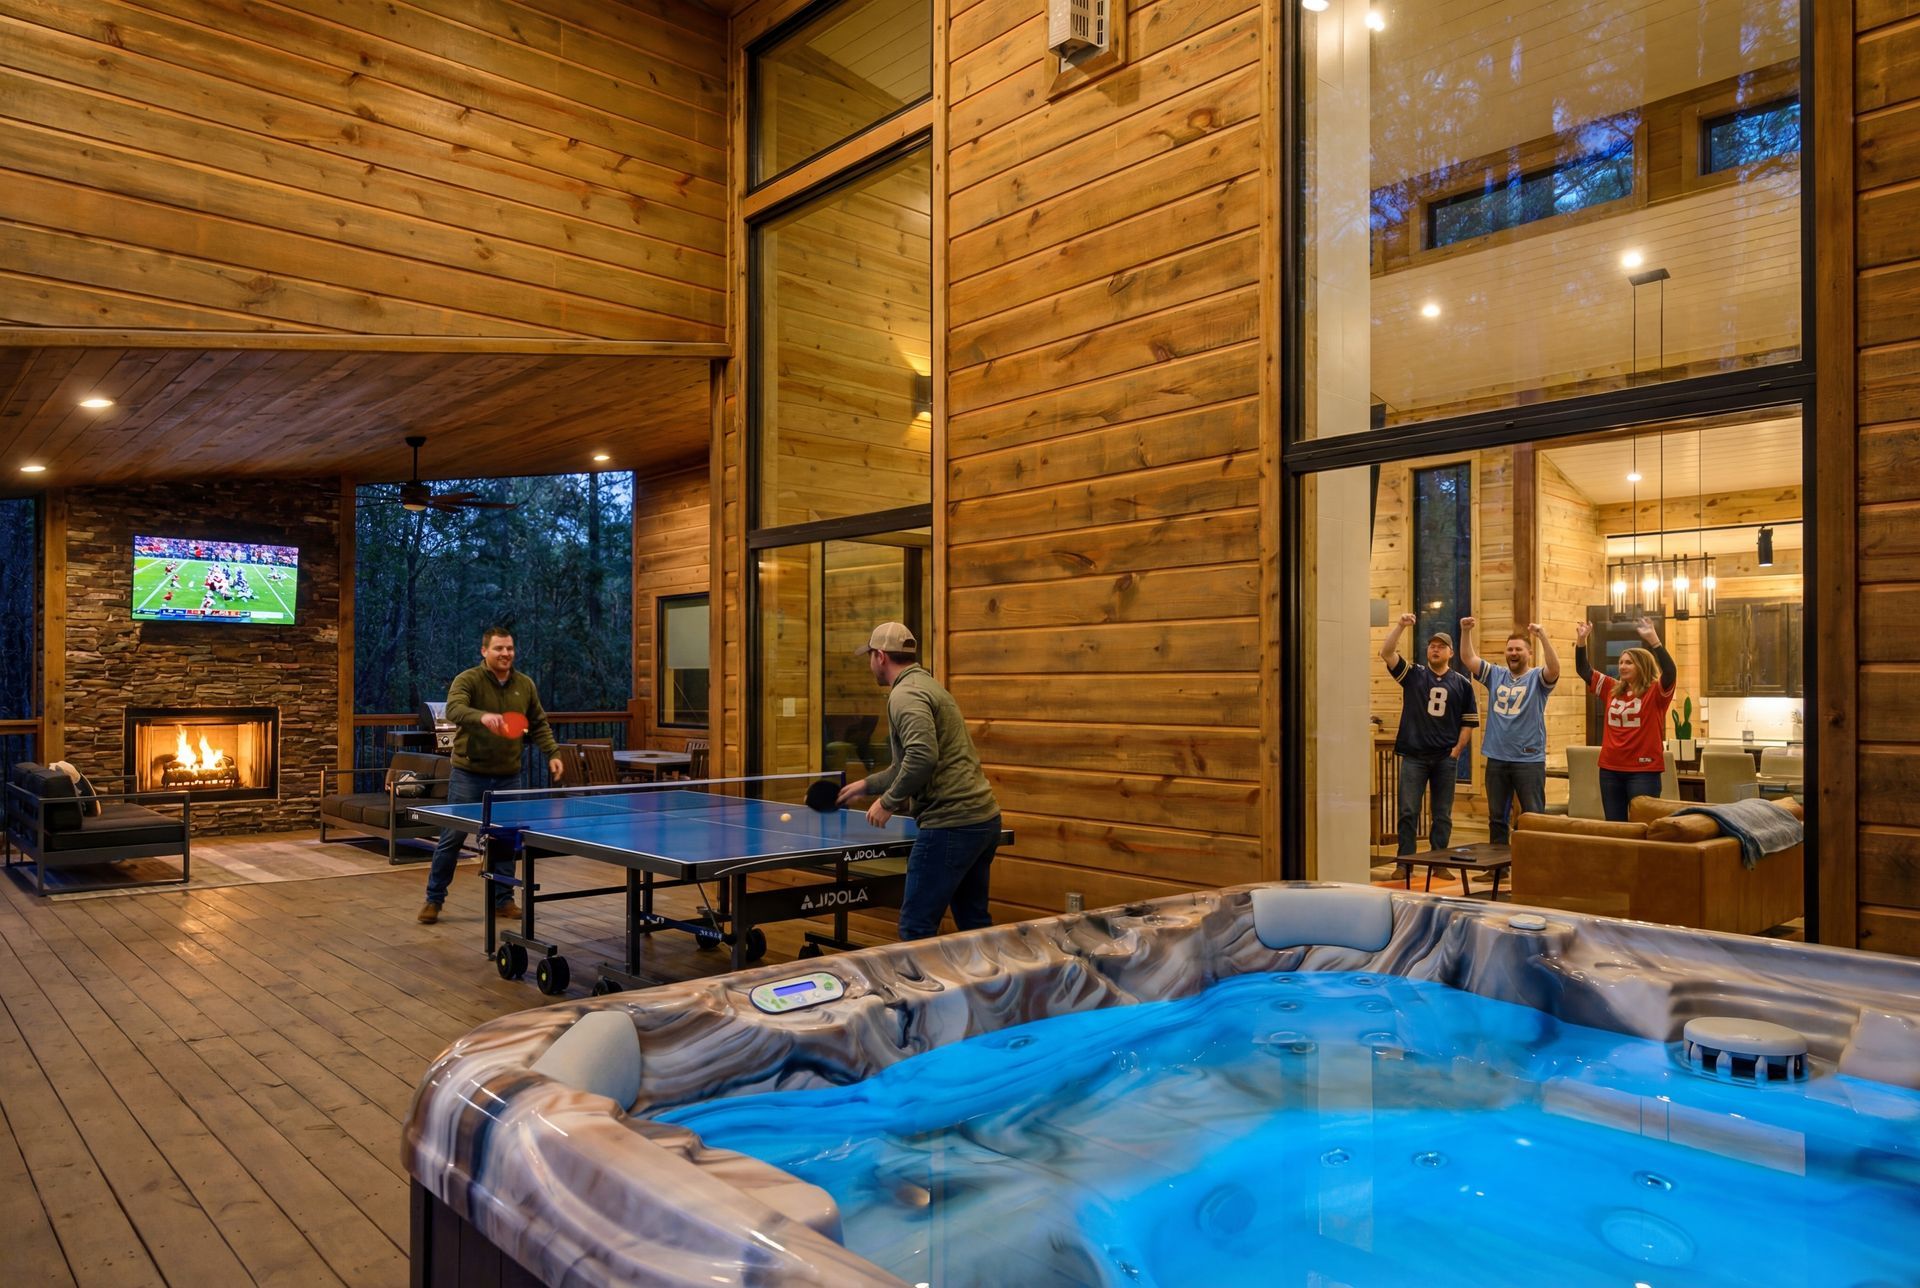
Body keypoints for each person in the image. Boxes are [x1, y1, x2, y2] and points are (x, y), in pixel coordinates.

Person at [835, 622, 1002, 941]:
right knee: (974, 924)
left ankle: (920, 979)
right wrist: (867, 786)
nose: (870, 663)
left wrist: (888, 802)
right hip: (982, 819)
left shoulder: (905, 695)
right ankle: (991, 976)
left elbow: (923, 757)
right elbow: (906, 765)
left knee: (916, 927)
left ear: (880, 656)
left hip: (949, 824)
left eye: (869, 656)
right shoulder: (928, 686)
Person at [417, 627, 565, 925]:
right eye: (499, 648)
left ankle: (503, 900)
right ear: (484, 651)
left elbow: (538, 723)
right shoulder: (468, 679)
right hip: (469, 774)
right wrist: (482, 716)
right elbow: (454, 709)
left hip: (508, 777)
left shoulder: (524, 685)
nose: (505, 653)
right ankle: (434, 899)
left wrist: (553, 753)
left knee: (506, 841)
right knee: (452, 837)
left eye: (509, 648)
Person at [1379, 612, 1478, 857]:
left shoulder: (1462, 684)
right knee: (1408, 812)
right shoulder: (1414, 675)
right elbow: (1387, 653)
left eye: (1441, 647)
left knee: (1442, 815)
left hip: (1445, 758)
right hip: (1414, 757)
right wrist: (1400, 626)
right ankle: (1405, 863)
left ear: (1451, 653)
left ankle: (1440, 863)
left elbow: (1468, 722)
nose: (1435, 650)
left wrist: (1456, 751)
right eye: (1432, 646)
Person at [1457, 618, 1560, 845]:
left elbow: (1554, 669)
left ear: (1529, 653)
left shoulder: (1537, 678)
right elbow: (1468, 658)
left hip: (1529, 760)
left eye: (1519, 649)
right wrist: (1465, 631)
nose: (1513, 653)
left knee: (1534, 817)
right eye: (1510, 649)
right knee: (1497, 818)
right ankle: (1498, 863)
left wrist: (1542, 636)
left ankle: (1535, 863)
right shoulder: (1496, 674)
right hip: (1497, 758)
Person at [1575, 616, 1678, 821]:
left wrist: (1654, 641)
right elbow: (1583, 670)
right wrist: (1581, 641)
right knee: (1615, 827)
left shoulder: (1655, 692)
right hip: (1610, 769)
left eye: (1629, 663)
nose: (1622, 666)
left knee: (1644, 825)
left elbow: (1670, 672)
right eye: (1621, 662)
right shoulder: (1611, 688)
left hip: (1643, 771)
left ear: (1642, 666)